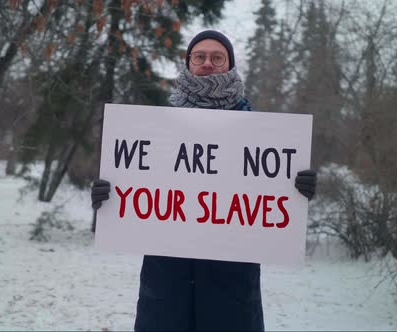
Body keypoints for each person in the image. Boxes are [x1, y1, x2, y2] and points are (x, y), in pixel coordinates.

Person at [91, 30, 317, 331]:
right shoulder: (156, 128)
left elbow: (268, 198)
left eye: (217, 57)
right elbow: (136, 186)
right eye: (199, 57)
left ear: (230, 65)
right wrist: (107, 194)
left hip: (232, 289)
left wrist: (298, 187)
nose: (208, 63)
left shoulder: (259, 132)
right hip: (165, 287)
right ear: (188, 64)